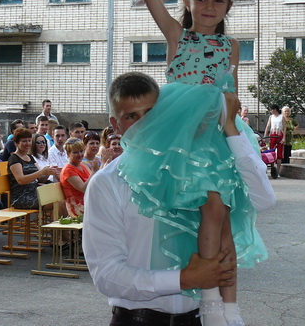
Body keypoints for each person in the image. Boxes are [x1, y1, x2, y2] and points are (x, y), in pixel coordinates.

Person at [117, 0, 269, 326]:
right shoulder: (177, 36)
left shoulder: (231, 45)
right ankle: (211, 302)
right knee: (213, 212)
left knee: (226, 222)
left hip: (216, 135)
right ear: (187, 2)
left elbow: (228, 90)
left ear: (229, 7)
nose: (208, 7)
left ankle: (229, 309)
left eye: (218, 1)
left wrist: (233, 126)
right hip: (181, 136)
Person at [83, 72, 237, 326]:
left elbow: (260, 201)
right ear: (115, 123)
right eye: (132, 116)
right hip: (137, 320)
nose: (145, 124)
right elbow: (106, 275)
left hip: (201, 318)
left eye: (152, 112)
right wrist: (185, 278)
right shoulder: (107, 183)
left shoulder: (197, 169)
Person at [7, 128, 56, 209]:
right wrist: (41, 172)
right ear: (16, 143)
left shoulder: (30, 157)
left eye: (29, 141)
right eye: (24, 141)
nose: (27, 144)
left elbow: (41, 180)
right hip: (22, 196)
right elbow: (21, 180)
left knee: (59, 197)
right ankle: (51, 221)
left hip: (35, 191)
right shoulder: (14, 158)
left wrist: (47, 172)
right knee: (54, 202)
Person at [60, 138, 91, 217]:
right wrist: (94, 172)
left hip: (87, 201)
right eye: (75, 152)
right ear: (68, 153)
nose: (80, 154)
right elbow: (83, 188)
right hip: (77, 207)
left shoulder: (83, 165)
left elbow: (94, 181)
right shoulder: (68, 170)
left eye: (81, 151)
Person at [264, 105, 285, 178]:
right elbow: (268, 126)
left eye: (272, 110)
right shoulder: (271, 117)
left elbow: (285, 128)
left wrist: (284, 138)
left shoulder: (281, 117)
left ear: (275, 109)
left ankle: (278, 171)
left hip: (279, 135)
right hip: (272, 135)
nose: (271, 111)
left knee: (279, 154)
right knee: (271, 152)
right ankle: (272, 170)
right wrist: (265, 136)